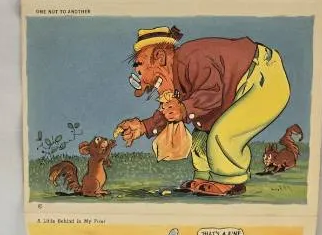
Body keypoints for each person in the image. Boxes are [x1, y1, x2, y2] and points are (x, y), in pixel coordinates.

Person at [115, 26, 291, 197]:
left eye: (141, 66)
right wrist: (144, 126)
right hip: (236, 88)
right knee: (200, 136)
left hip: (263, 78)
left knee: (223, 134)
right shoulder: (176, 81)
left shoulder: (191, 58)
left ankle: (230, 181)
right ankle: (204, 178)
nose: (141, 78)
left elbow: (211, 93)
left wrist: (184, 109)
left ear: (160, 57)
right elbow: (171, 111)